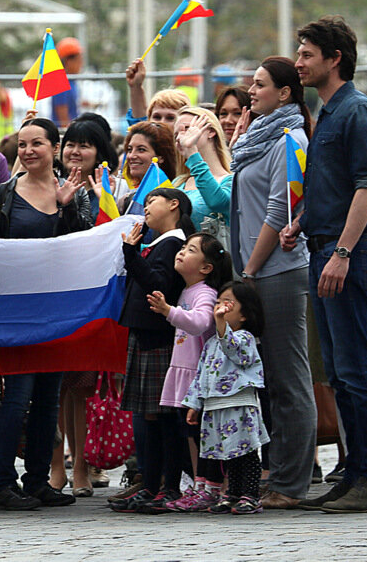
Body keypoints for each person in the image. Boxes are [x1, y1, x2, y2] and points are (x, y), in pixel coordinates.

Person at [280, 15, 367, 513]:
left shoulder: (359, 111)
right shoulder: (328, 111)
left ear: (334, 58)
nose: (298, 62)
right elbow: (333, 188)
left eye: (306, 54)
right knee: (341, 373)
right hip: (322, 247)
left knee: (358, 368)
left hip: (347, 253)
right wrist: (301, 222)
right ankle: (356, 473)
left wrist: (343, 252)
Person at [0, 118, 92, 511]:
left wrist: (65, 209)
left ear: (54, 147)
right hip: (17, 312)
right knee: (17, 398)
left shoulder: (74, 192)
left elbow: (83, 246)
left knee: (48, 400)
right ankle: (1, 483)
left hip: (57, 310)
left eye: (37, 144)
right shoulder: (4, 194)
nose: (28, 151)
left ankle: (38, 480)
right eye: (22, 145)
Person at [229, 56, 315, 510]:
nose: (251, 91)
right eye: (252, 83)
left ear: (285, 93)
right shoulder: (256, 139)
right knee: (270, 381)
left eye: (260, 84)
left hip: (277, 269)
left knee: (288, 377)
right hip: (255, 268)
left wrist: (249, 271)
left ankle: (291, 482)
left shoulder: (290, 139)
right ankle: (277, 474)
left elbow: (281, 211)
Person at [109, 187, 195, 514]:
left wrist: (131, 253)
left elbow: (157, 284)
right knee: (150, 417)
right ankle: (151, 485)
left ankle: (169, 487)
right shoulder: (159, 243)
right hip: (144, 336)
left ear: (174, 205)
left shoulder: (173, 244)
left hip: (158, 338)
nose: (145, 208)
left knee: (163, 419)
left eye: (152, 201)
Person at [50, 113, 118, 496]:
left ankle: (82, 467)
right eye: (70, 143)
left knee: (82, 387)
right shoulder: (48, 185)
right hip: (54, 296)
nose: (76, 151)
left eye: (85, 144)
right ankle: (56, 465)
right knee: (54, 386)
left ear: (99, 151)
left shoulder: (108, 189)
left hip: (90, 300)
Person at [148, 233, 228, 512]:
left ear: (206, 268)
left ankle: (211, 486)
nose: (181, 252)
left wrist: (169, 311)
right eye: (182, 247)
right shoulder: (186, 291)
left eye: (190, 250)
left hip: (197, 373)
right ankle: (198, 484)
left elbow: (200, 322)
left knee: (201, 433)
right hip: (184, 370)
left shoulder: (204, 292)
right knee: (190, 432)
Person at [183, 281, 269, 515]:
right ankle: (232, 492)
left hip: (239, 404)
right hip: (215, 406)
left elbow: (236, 351)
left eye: (228, 303)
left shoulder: (245, 338)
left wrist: (221, 324)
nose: (220, 306)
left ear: (245, 314)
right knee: (226, 453)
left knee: (246, 452)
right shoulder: (211, 343)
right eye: (218, 301)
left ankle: (250, 494)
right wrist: (194, 403)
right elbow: (201, 374)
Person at [173, 107, 233, 237]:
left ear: (211, 132)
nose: (179, 137)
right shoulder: (178, 182)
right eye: (176, 134)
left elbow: (217, 202)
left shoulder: (231, 180)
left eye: (187, 129)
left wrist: (192, 151)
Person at [115, 122, 179, 204]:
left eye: (141, 149)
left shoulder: (170, 196)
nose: (131, 156)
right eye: (130, 150)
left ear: (161, 157)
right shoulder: (126, 194)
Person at [124, 58, 191, 128]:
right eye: (157, 117)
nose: (162, 122)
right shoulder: (147, 135)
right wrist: (136, 86)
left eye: (170, 118)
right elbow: (139, 123)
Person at [51, 38, 83, 127]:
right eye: (79, 61)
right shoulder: (61, 83)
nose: (81, 64)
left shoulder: (71, 81)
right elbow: (63, 118)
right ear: (68, 61)